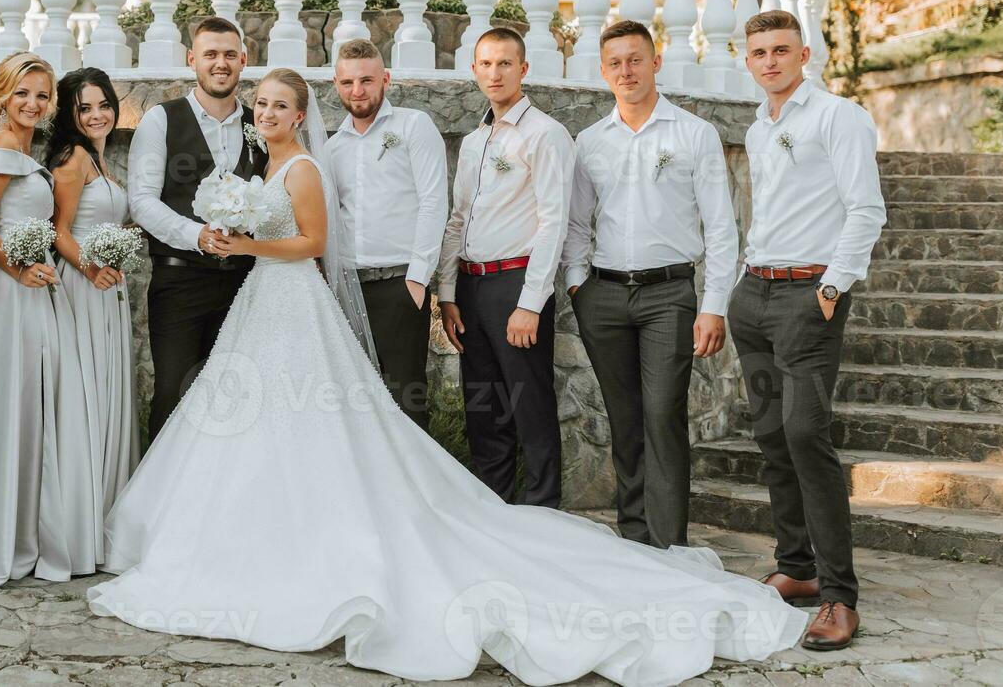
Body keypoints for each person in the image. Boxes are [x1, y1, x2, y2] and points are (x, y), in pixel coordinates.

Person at [86, 66, 806, 687]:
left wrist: (243, 239)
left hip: (290, 301)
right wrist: (229, 229)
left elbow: (310, 243)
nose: (268, 113)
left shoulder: (302, 167)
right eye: (261, 105)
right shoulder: (265, 167)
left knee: (307, 424)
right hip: (262, 307)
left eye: (280, 104)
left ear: (301, 114)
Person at [731, 10, 886, 651]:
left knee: (805, 433)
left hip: (807, 297)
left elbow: (865, 207)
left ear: (805, 53)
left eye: (781, 50)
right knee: (771, 436)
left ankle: (839, 596)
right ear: (749, 60)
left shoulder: (837, 116)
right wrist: (743, 281)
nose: (770, 61)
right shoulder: (759, 126)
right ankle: (795, 566)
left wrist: (832, 285)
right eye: (759, 52)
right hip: (755, 297)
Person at [561, 20, 739, 550]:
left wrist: (713, 306)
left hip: (670, 296)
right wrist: (578, 286)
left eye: (635, 59)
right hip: (606, 296)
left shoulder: (693, 133)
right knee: (625, 417)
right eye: (615, 63)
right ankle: (634, 536)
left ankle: (668, 545)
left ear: (655, 62)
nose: (626, 71)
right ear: (602, 71)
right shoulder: (590, 141)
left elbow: (722, 227)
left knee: (662, 415)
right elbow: (575, 224)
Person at [0, 52, 98, 587]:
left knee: (32, 406)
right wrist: (17, 269)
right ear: (1, 98)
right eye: (22, 94)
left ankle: (24, 528)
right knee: (10, 407)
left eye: (41, 95)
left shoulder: (25, 150)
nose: (32, 104)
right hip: (8, 295)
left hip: (31, 291)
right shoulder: (4, 149)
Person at [439, 28, 574, 508]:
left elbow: (554, 221)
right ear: (474, 70)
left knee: (529, 405)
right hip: (473, 290)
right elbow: (457, 220)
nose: (494, 73)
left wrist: (530, 303)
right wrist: (449, 294)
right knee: (485, 410)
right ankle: (493, 510)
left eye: (504, 64)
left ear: (523, 69)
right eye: (486, 64)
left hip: (517, 285)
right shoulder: (475, 141)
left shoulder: (545, 135)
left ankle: (542, 511)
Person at [127, 17, 267, 443]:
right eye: (210, 54)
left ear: (244, 60)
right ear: (193, 60)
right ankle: (159, 505)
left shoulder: (261, 124)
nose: (220, 63)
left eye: (229, 54)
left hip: (247, 283)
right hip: (180, 281)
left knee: (238, 398)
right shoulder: (161, 121)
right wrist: (197, 236)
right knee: (175, 392)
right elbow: (142, 200)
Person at [326, 38, 448, 430]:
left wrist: (417, 278)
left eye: (367, 80)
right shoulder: (332, 148)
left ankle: (414, 490)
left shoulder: (413, 126)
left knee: (406, 399)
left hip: (399, 285)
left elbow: (433, 202)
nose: (357, 91)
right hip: (348, 288)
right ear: (336, 83)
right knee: (353, 401)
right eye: (347, 83)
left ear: (386, 79)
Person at [48, 67, 138, 566]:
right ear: (70, 113)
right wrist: (91, 268)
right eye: (85, 107)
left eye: (104, 104)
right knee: (84, 398)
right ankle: (77, 530)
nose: (98, 114)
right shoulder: (74, 157)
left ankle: (104, 516)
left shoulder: (101, 161)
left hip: (107, 288)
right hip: (83, 289)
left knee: (105, 395)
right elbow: (59, 230)